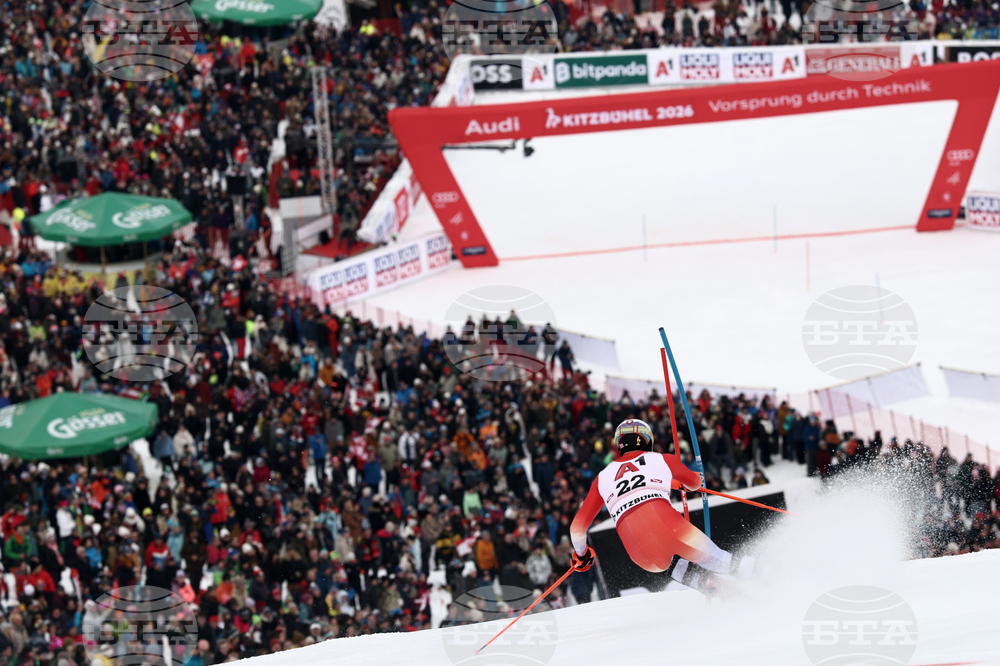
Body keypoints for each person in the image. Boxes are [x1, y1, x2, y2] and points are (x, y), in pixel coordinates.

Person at [569, 419, 754, 595]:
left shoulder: (602, 477)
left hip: (640, 554)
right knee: (721, 560)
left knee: (669, 563)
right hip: (670, 528)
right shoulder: (661, 459)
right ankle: (763, 576)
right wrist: (674, 482)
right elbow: (695, 482)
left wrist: (582, 555)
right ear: (647, 439)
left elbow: (577, 527)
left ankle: (712, 586)